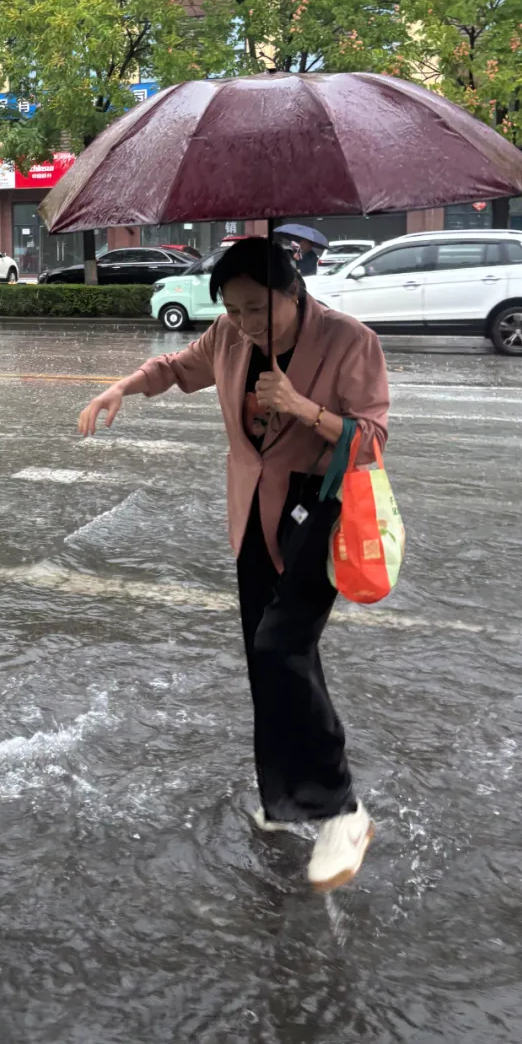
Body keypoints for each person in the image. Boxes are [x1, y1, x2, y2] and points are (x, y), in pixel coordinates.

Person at [77, 237, 389, 892]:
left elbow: (371, 440)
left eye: (258, 308)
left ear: (293, 288)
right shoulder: (228, 336)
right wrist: (124, 387)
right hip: (253, 516)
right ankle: (282, 801)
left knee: (282, 647)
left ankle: (340, 807)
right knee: (269, 661)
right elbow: (176, 366)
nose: (246, 322)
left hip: (319, 513)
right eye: (234, 309)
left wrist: (301, 406)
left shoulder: (350, 340)